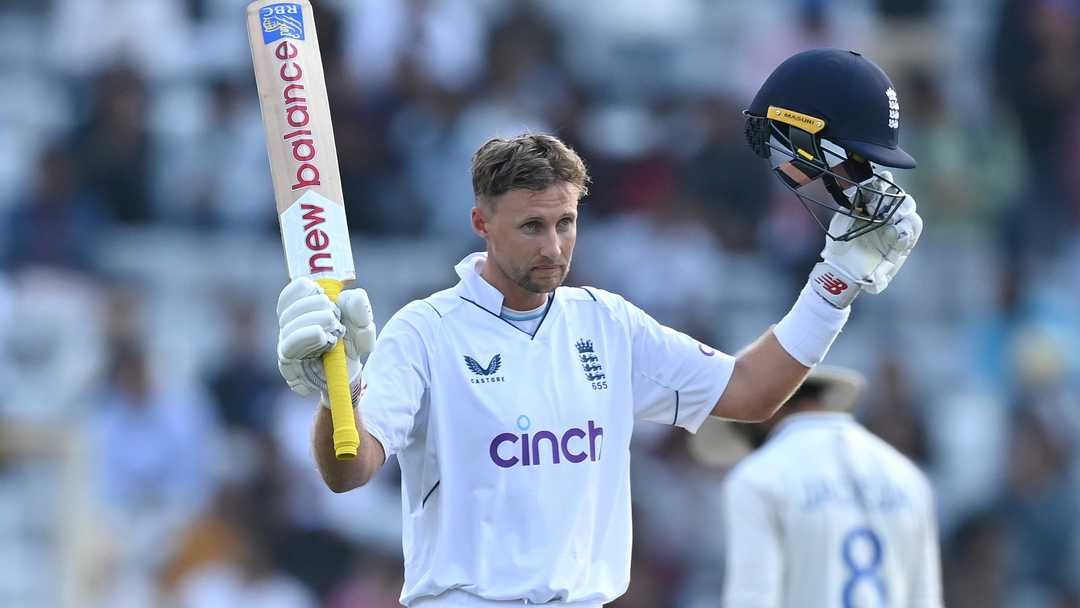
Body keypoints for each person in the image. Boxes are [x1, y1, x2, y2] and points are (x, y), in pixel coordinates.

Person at [273, 48, 924, 608]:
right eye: (532, 227)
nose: (554, 247)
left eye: (566, 223)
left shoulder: (607, 324)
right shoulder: (426, 330)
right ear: (481, 224)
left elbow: (751, 393)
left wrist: (834, 283)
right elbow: (348, 471)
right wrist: (338, 394)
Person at [720, 365, 943, 607]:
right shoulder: (908, 476)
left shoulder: (757, 479)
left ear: (765, 402)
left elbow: (752, 600)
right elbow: (925, 600)